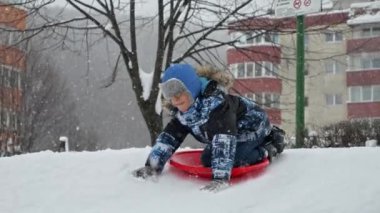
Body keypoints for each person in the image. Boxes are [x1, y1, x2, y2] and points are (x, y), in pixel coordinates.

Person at [132, 63, 285, 191]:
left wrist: (220, 178)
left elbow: (224, 140)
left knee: (234, 160)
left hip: (253, 127)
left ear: (191, 88)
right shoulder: (184, 113)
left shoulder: (218, 107)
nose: (175, 99)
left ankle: (269, 146)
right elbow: (168, 139)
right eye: (169, 93)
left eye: (179, 92)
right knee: (207, 159)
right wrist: (152, 167)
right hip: (232, 132)